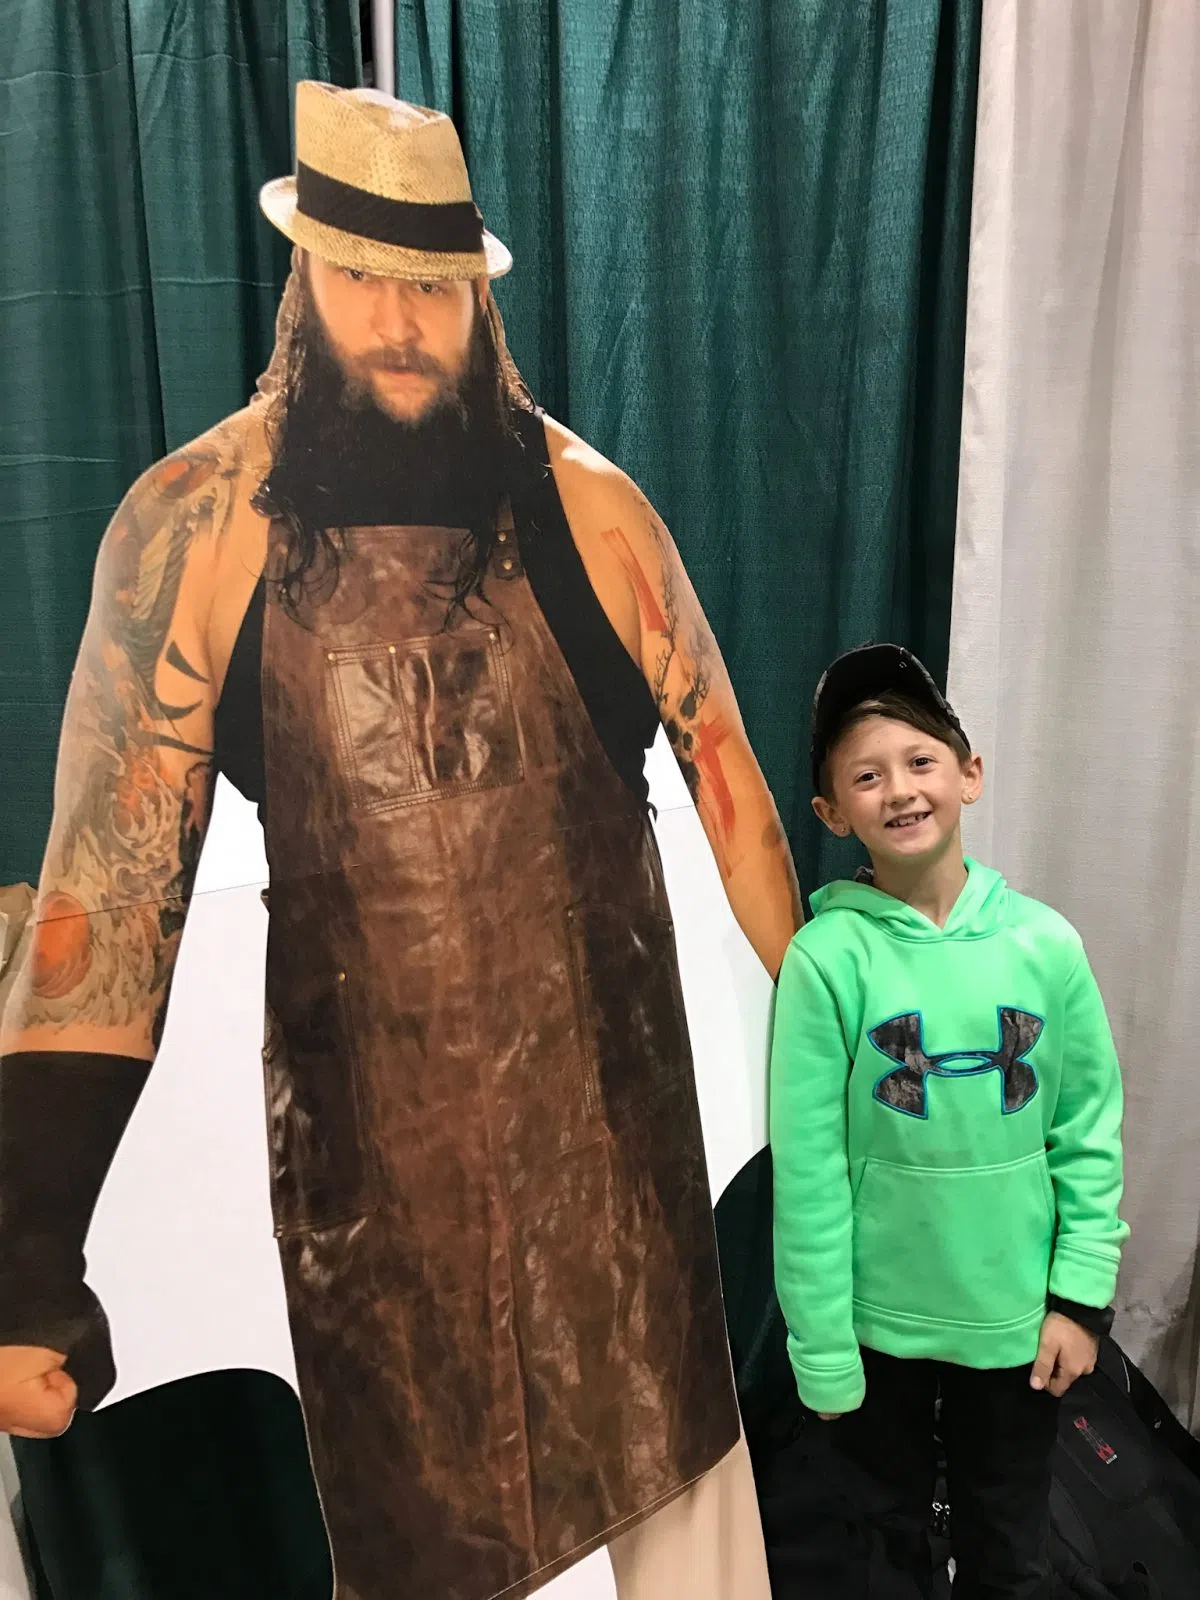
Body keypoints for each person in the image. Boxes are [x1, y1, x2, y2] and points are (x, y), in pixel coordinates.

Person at [0, 84, 803, 1600]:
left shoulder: (598, 514)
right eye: (362, 273)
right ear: (300, 273)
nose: (399, 320)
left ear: (479, 296)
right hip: (378, 1186)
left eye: (433, 284)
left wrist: (859, 1076)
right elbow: (111, 887)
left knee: (690, 1514)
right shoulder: (193, 531)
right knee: (422, 1539)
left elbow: (738, 799)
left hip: (620, 1168)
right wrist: (31, 1253)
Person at [769, 643, 1129, 1598]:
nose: (899, 789)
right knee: (876, 1549)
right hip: (872, 1329)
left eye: (920, 760)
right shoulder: (826, 960)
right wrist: (821, 1347)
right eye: (866, 776)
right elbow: (809, 1171)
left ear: (969, 774)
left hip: (1014, 1322)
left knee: (1007, 1546)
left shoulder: (1047, 946)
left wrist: (1079, 1299)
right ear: (831, 812)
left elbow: (1087, 1130)